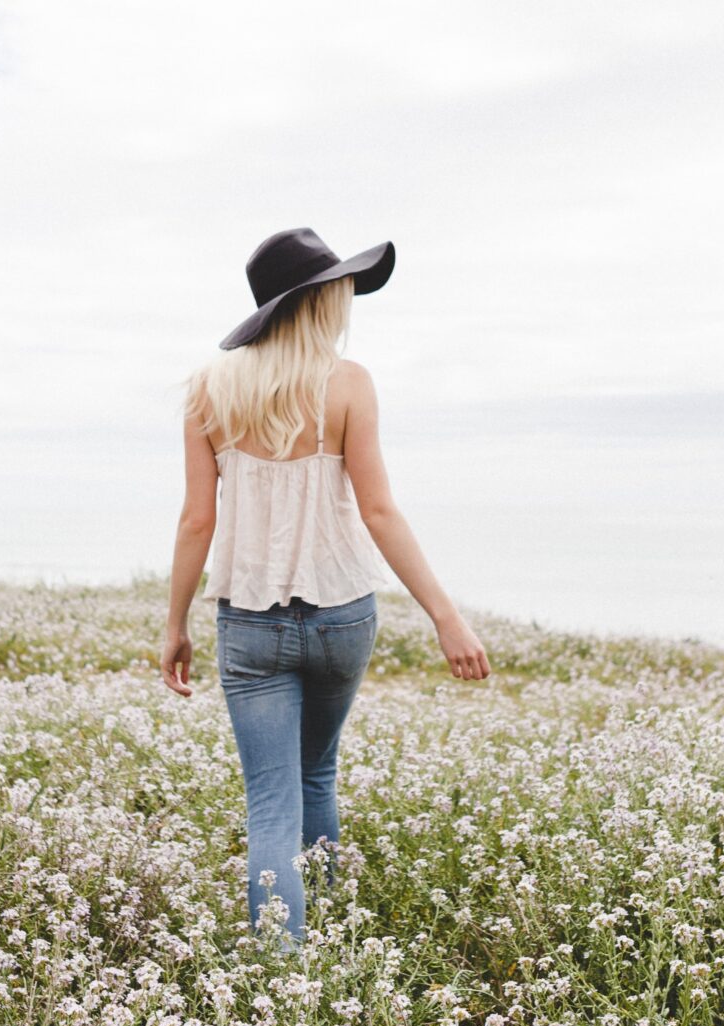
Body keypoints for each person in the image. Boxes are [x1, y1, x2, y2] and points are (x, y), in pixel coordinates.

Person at [160, 227, 491, 952]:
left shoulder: (208, 390)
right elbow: (379, 511)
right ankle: (334, 936)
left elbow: (195, 520)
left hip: (248, 621)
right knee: (318, 775)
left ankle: (283, 978)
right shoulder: (348, 384)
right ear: (317, 302)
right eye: (341, 289)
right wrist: (447, 618)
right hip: (343, 616)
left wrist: (175, 623)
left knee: (270, 805)